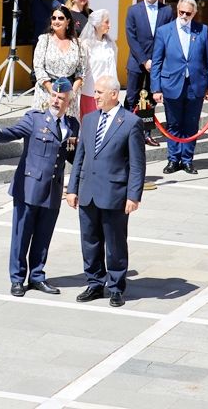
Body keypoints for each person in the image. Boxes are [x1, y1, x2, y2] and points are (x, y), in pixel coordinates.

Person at [0, 79, 79, 297]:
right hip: (29, 187)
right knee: (21, 235)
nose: (56, 100)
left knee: (44, 236)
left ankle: (37, 276)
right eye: (53, 96)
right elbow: (12, 133)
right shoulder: (34, 119)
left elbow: (73, 156)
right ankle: (17, 279)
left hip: (52, 188)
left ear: (69, 102)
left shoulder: (71, 125)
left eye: (61, 98)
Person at [66, 75, 145, 308]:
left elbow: (137, 164)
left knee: (115, 242)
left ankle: (117, 286)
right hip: (88, 191)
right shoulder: (89, 120)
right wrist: (72, 189)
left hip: (115, 194)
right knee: (89, 240)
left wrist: (133, 195)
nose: (96, 96)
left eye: (100, 92)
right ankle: (94, 283)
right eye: (95, 92)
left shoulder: (130, 122)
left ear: (114, 94)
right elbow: (80, 157)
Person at [150, 0, 208, 175]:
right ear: (177, 11)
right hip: (172, 84)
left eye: (188, 13)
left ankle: (187, 160)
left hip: (195, 85)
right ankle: (173, 159)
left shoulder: (202, 30)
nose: (184, 16)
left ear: (194, 13)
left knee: (191, 124)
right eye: (181, 12)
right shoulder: (165, 31)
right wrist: (155, 89)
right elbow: (156, 62)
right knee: (174, 124)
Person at [125, 0, 172, 147]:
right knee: (132, 98)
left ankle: (146, 133)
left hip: (157, 64)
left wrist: (157, 61)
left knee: (150, 99)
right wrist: (144, 60)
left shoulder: (166, 11)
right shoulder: (133, 10)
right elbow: (131, 38)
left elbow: (168, 37)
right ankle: (128, 132)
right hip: (137, 62)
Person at [32, 5, 84, 118]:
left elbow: (81, 73)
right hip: (46, 94)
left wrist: (72, 94)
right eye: (54, 18)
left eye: (60, 18)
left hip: (69, 97)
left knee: (68, 131)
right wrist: (53, 92)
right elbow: (38, 68)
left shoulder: (77, 43)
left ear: (68, 21)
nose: (56, 21)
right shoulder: (44, 40)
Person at [78, 9, 118, 119]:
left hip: (109, 93)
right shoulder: (86, 45)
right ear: (96, 24)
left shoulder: (110, 43)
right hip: (91, 94)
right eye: (106, 22)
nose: (109, 25)